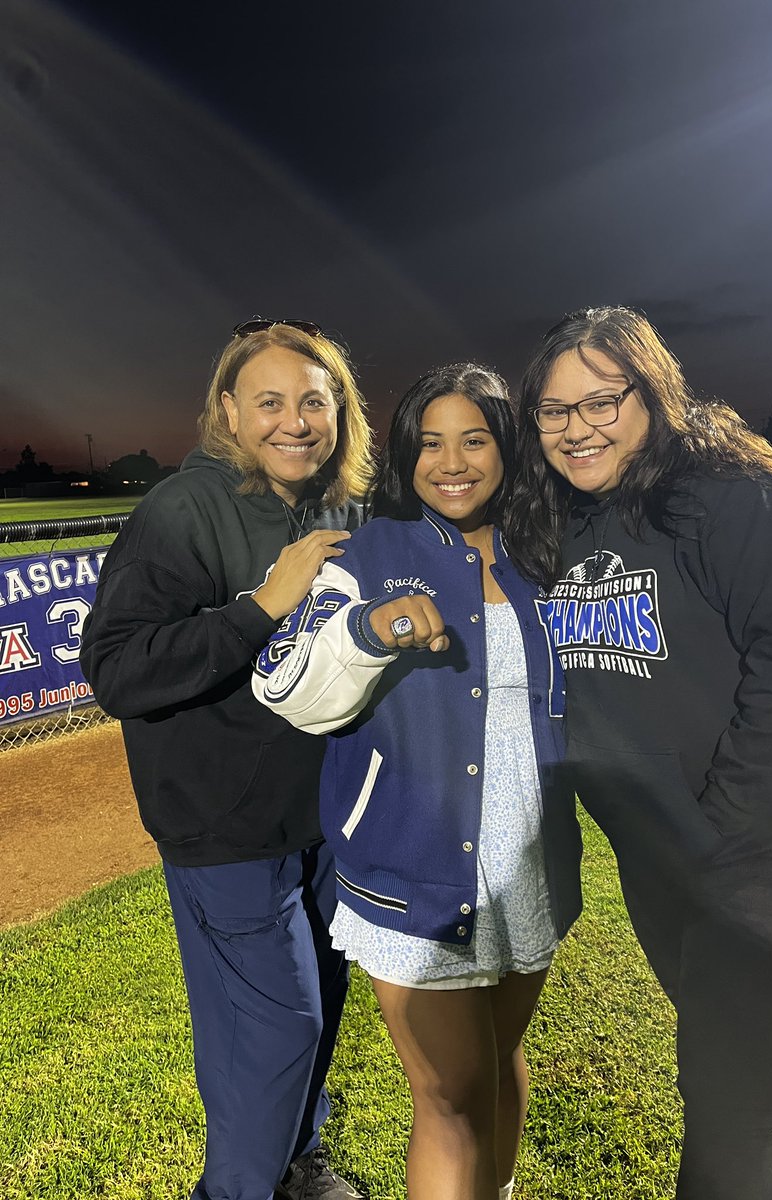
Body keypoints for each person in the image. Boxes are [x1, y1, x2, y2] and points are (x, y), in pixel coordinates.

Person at [505, 305, 772, 1199]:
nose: (577, 428)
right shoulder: (565, 518)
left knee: (729, 1101)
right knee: (727, 1081)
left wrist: (724, 828)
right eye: (554, 411)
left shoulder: (726, 494)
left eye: (603, 400)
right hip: (664, 853)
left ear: (652, 393)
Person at [252, 364, 582, 1200]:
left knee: (499, 1065)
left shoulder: (545, 549)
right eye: (430, 442)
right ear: (406, 454)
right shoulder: (370, 550)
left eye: (475, 438)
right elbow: (284, 685)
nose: (452, 461)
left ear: (507, 447)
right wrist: (373, 626)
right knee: (446, 1094)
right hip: (413, 868)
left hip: (530, 860)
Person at [80, 319, 375, 1200]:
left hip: (325, 815)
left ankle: (296, 1163)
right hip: (224, 824)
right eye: (270, 401)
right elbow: (116, 669)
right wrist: (258, 609)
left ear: (339, 411)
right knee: (274, 1033)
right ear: (229, 411)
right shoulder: (182, 509)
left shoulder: (339, 506)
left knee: (317, 1013)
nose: (294, 421)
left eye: (313, 401)